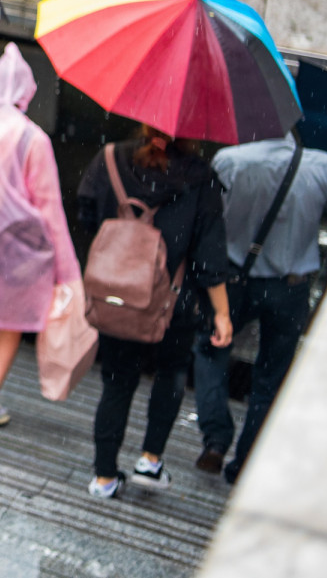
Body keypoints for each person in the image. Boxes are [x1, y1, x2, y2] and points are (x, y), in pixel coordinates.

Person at [193, 132, 327, 484]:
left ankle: (216, 437)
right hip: (290, 287)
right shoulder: (323, 165)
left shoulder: (229, 160)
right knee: (271, 377)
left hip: (234, 279)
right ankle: (245, 461)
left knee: (209, 350)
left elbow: (208, 218)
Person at [78, 127, 233, 498]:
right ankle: (150, 460)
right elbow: (210, 256)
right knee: (171, 374)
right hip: (174, 301)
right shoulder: (201, 177)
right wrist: (223, 314)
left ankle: (103, 477)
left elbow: (86, 216)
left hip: (119, 296)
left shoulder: (111, 158)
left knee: (116, 384)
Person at [0, 42, 81, 428]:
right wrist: (68, 272)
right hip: (19, 244)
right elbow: (50, 211)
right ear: (27, 92)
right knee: (11, 319)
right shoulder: (33, 138)